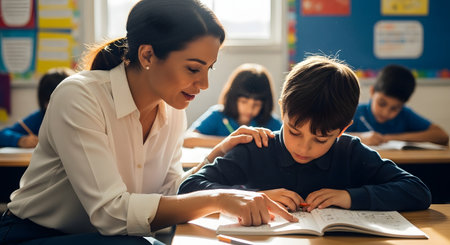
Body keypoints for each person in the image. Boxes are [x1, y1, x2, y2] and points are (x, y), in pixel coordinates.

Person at [0, 1, 297, 244]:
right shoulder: (80, 96)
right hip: (33, 235)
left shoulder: (172, 109)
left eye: (209, 68)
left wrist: (217, 159)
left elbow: (168, 196)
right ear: (147, 55)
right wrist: (219, 198)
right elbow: (112, 214)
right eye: (194, 68)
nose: (205, 84)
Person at [179, 56, 431, 214]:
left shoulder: (349, 151)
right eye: (294, 131)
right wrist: (252, 197)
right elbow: (188, 187)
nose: (304, 147)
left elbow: (417, 191)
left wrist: (350, 197)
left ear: (342, 129)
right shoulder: (257, 147)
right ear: (282, 110)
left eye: (321, 139)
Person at [346, 64, 449, 146]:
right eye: (382, 103)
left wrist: (389, 138)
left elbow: (441, 136)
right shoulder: (355, 112)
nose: (386, 112)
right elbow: (332, 136)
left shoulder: (405, 114)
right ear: (372, 92)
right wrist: (361, 137)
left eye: (395, 108)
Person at [183, 63, 282, 148]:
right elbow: (187, 139)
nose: (249, 109)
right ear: (233, 98)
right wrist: (231, 141)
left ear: (265, 104)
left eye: (256, 104)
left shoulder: (271, 122)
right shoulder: (218, 115)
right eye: (244, 102)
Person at [0, 67, 74, 148]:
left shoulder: (81, 115)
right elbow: (2, 135)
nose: (52, 106)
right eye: (48, 101)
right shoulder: (41, 116)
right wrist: (21, 140)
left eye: (59, 100)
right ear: (43, 101)